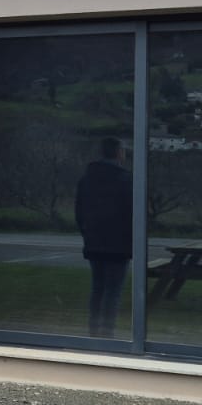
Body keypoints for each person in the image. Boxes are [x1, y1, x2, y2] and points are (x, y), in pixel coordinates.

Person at [74, 137, 133, 337]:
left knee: (98, 288)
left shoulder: (87, 179)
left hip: (94, 242)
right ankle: (107, 334)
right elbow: (132, 213)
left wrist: (88, 234)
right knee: (112, 292)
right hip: (118, 245)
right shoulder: (125, 179)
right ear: (118, 153)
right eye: (123, 150)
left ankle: (94, 331)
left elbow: (79, 212)